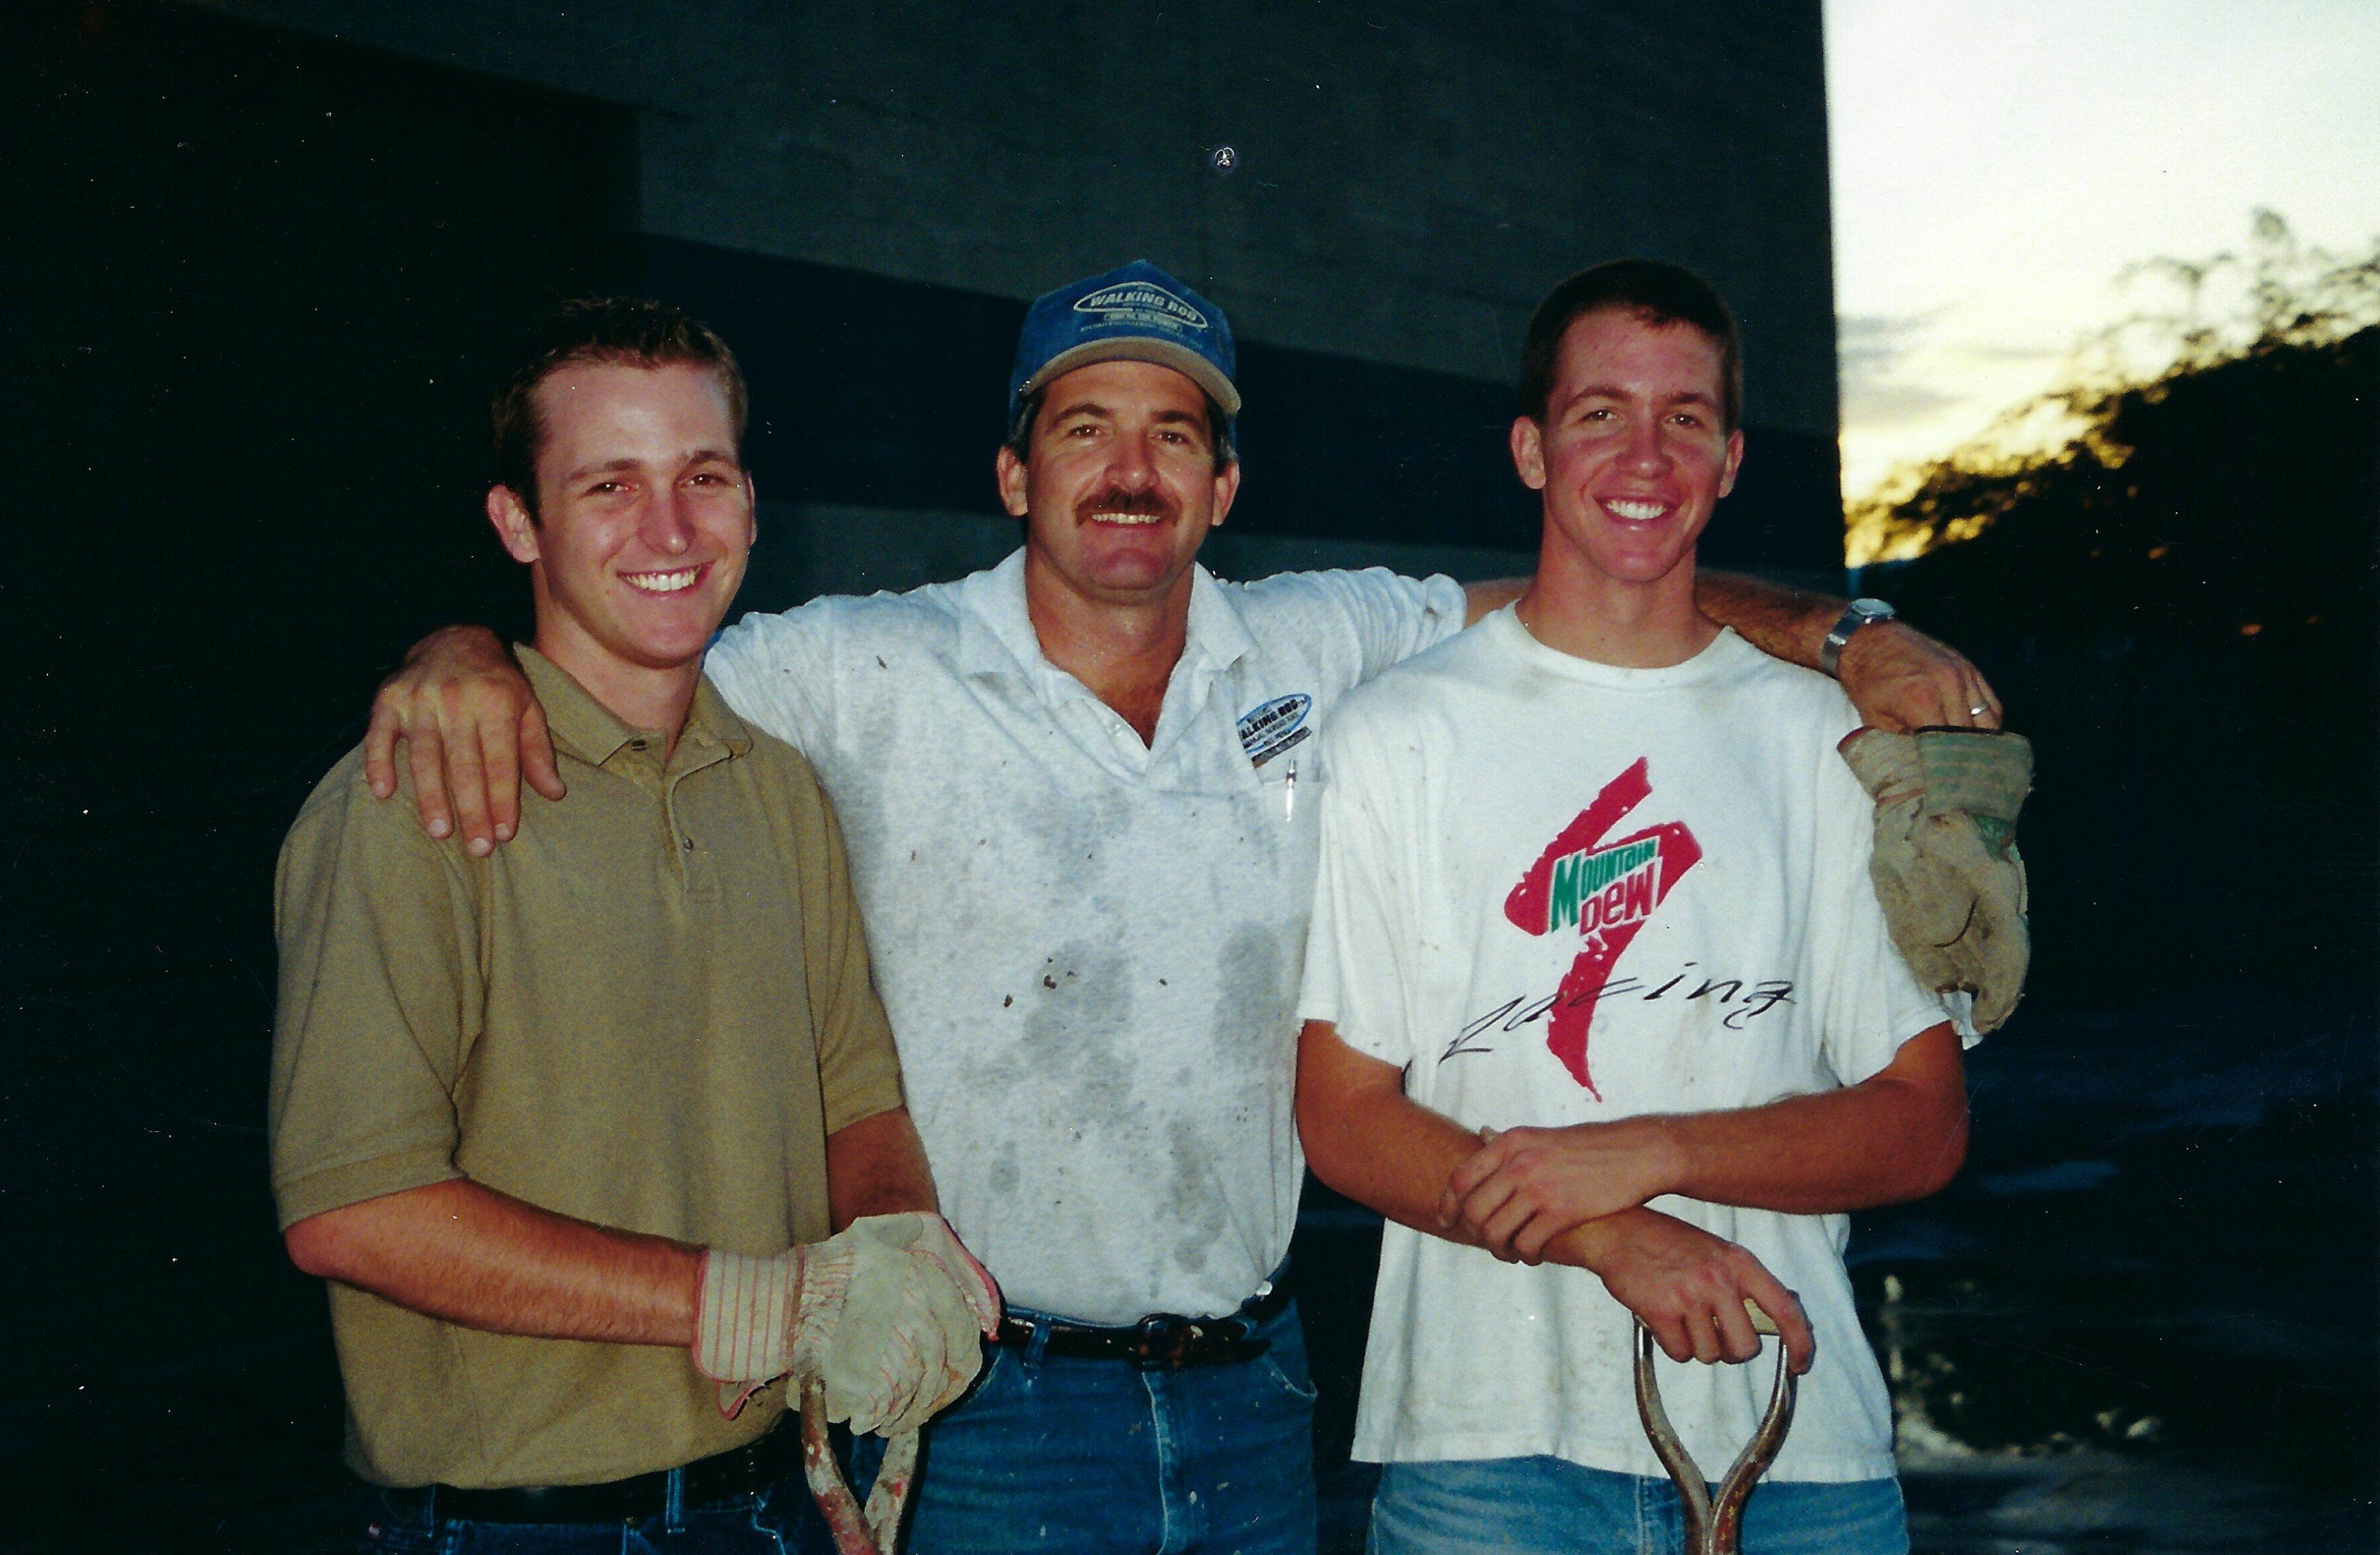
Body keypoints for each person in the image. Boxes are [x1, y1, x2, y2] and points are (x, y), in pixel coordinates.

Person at [360, 261, 1997, 1554]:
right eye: (1082, 428)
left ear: (1223, 486)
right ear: (1011, 471)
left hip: (1250, 1401)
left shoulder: (1309, 645)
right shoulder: (857, 667)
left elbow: (1597, 579)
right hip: (979, 1405)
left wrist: (1844, 631)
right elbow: (627, 634)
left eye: (1171, 434)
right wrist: (458, 650)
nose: (1129, 470)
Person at [270, 298, 998, 1555]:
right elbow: (354, 1208)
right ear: (518, 523)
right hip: (514, 1526)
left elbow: (856, 1105)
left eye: (702, 478)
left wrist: (892, 1252)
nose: (669, 531)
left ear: (753, 506)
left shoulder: (778, 791)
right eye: (609, 485)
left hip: (771, 1501)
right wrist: (750, 1307)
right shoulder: (414, 800)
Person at [1294, 260, 1973, 1555]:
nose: (1643, 452)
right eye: (1598, 411)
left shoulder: (1826, 740)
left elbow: (1920, 1120)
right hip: (1484, 1458)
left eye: (1683, 416)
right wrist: (1609, 1230)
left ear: (1727, 457)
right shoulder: (1398, 731)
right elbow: (1343, 1113)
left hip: (1794, 1439)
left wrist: (1651, 1147)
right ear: (1529, 449)